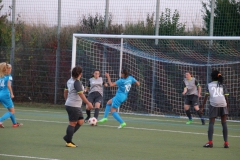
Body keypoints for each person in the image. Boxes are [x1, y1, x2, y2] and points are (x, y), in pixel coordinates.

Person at [63, 66, 93, 148]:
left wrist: (67, 100)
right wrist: (88, 103)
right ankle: (69, 141)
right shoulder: (76, 82)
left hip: (73, 105)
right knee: (72, 123)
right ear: (80, 74)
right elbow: (81, 94)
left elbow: (65, 92)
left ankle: (67, 136)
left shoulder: (69, 81)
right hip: (73, 106)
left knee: (80, 122)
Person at [202, 70, 229, 148]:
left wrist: (202, 107)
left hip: (214, 104)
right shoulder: (222, 85)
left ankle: (210, 142)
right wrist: (227, 107)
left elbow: (206, 97)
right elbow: (226, 97)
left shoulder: (209, 85)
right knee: (224, 123)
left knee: (211, 123)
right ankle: (226, 143)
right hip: (223, 104)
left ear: (212, 77)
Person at [0, 62, 22, 128]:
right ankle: (0, 120)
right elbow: (9, 85)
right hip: (5, 95)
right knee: (12, 111)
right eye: (9, 68)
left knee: (10, 110)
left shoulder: (1, 77)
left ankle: (14, 123)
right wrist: (12, 94)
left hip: (1, 94)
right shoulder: (8, 76)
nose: (11, 69)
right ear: (6, 69)